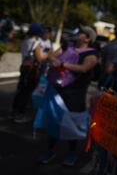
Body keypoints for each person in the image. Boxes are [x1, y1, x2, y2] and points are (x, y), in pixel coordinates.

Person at [38, 25, 98, 166]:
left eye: (82, 33)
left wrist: (63, 64)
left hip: (75, 94)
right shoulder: (67, 46)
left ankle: (71, 153)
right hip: (58, 90)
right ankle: (50, 150)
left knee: (73, 123)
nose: (78, 33)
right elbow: (53, 55)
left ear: (88, 39)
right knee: (54, 120)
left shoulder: (92, 54)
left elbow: (84, 68)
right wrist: (52, 59)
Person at [11, 23, 43, 123]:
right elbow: (39, 58)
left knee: (21, 89)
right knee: (27, 92)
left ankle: (15, 111)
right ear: (38, 33)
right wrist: (49, 54)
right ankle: (20, 114)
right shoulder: (36, 43)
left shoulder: (25, 41)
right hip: (31, 70)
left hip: (24, 67)